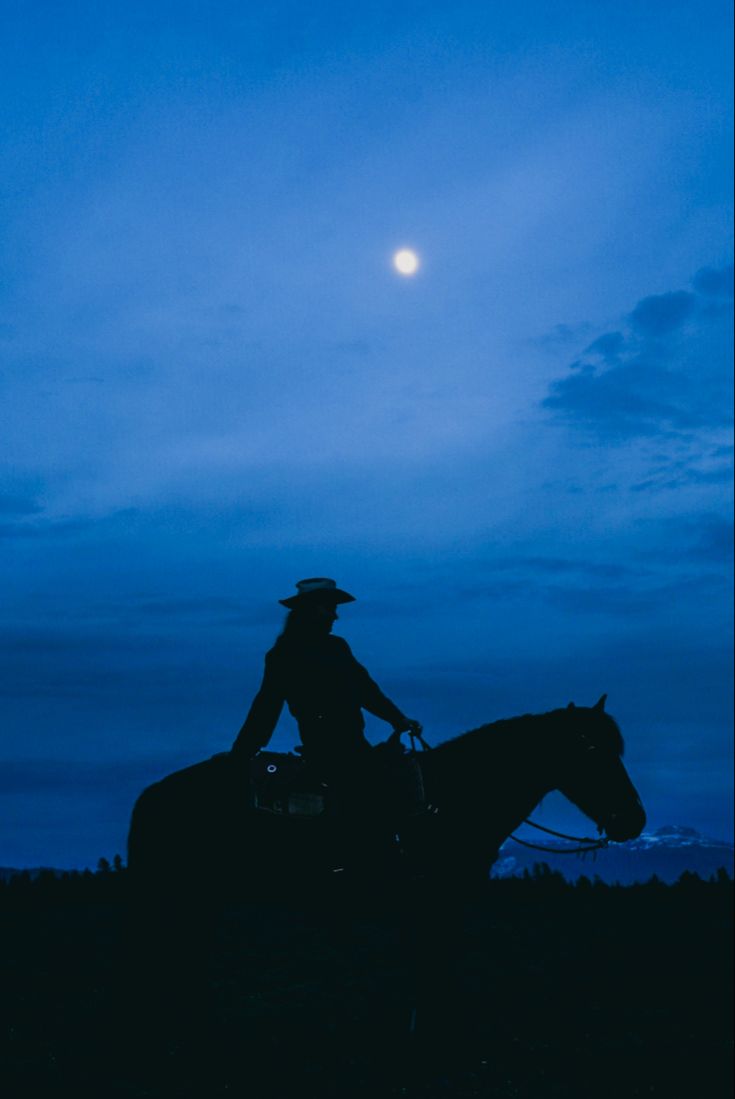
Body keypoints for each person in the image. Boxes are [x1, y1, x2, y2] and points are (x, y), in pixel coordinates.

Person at [230, 578, 422, 859]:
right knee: (369, 794)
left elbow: (365, 689)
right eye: (328, 608)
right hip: (328, 747)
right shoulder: (287, 654)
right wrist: (244, 752)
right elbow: (267, 705)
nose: (335, 615)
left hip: (352, 743)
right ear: (310, 609)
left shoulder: (335, 648)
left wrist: (398, 719)